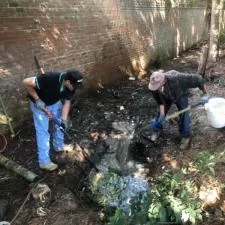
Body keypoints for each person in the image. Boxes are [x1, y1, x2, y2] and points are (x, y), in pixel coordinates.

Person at [23, 69, 83, 171]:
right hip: (40, 105)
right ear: (68, 81)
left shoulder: (71, 86)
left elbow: (67, 103)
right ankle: (44, 161)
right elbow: (26, 82)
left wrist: (63, 120)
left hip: (54, 102)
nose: (75, 89)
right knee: (43, 132)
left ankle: (58, 145)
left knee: (60, 124)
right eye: (74, 86)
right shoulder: (49, 78)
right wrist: (37, 99)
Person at [148, 69, 209, 150]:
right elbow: (160, 101)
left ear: (163, 82)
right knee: (159, 115)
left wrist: (206, 94)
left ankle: (185, 136)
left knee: (184, 115)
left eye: (157, 87)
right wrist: (162, 114)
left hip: (180, 94)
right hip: (165, 97)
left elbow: (199, 79)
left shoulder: (178, 78)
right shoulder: (153, 87)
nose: (155, 88)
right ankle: (156, 130)